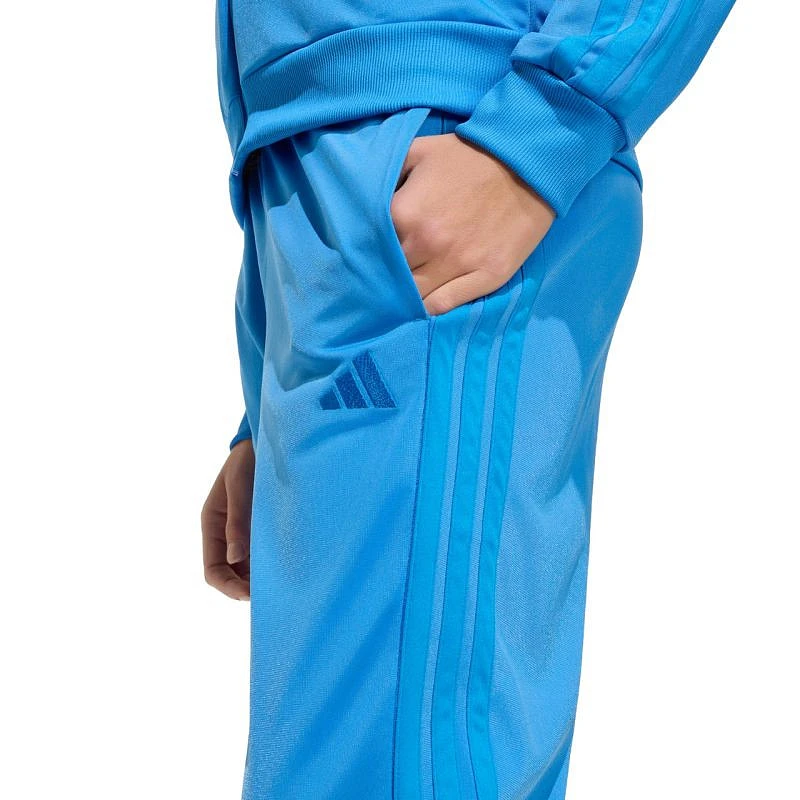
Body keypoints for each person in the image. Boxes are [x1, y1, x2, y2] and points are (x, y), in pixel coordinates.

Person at [200, 1, 737, 797]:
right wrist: (263, 399)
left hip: (443, 168)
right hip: (316, 191)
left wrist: (540, 127)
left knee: (388, 765)